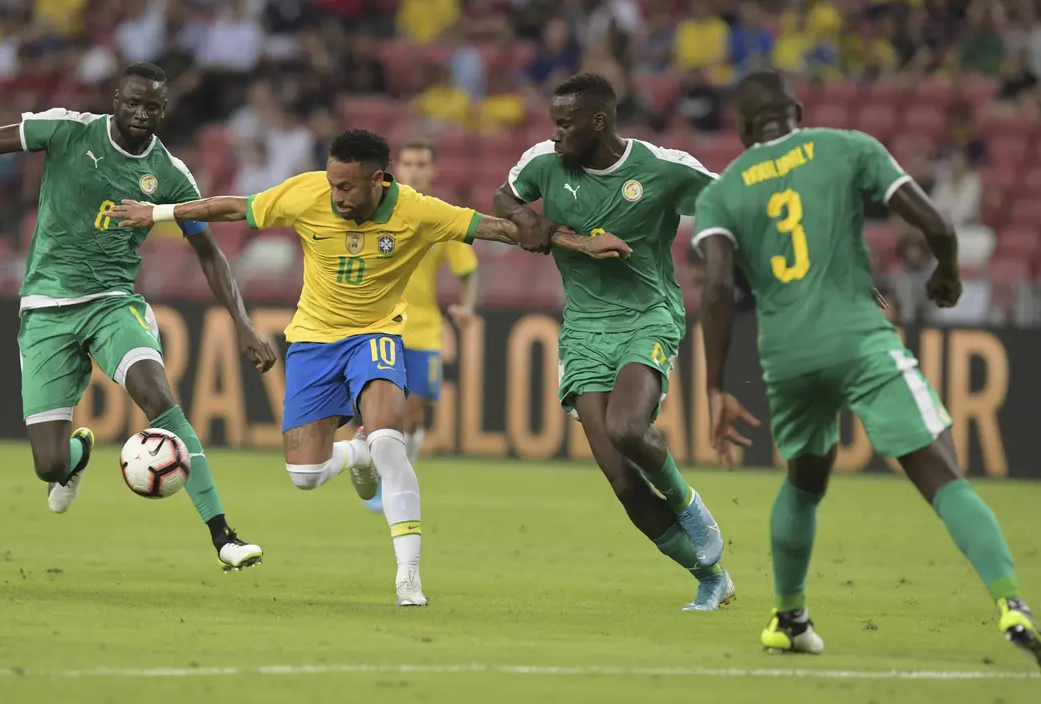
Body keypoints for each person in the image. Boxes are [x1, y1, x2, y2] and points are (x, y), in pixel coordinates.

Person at [105, 128, 631, 605]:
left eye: (348, 188)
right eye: (333, 184)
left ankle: (408, 576)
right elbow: (232, 208)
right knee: (305, 475)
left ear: (379, 180)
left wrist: (582, 242)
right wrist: (156, 214)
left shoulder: (420, 211)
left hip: (376, 334)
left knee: (389, 442)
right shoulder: (307, 193)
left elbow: (501, 229)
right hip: (312, 340)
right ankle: (354, 452)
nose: (336, 196)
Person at [0, 63, 276, 573]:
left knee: (158, 396)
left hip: (113, 303)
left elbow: (209, 253)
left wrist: (241, 321)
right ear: (116, 97)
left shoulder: (171, 175)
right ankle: (75, 460)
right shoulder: (67, 129)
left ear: (163, 110)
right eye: (132, 101)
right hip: (45, 308)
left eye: (151, 106)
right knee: (48, 463)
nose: (139, 112)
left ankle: (224, 537)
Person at [694, 68, 1040, 664]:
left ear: (745, 128)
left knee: (805, 480)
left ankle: (789, 618)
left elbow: (719, 287)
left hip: (788, 355)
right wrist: (947, 272)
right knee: (939, 471)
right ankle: (1013, 604)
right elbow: (934, 223)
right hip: (857, 336)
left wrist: (715, 385)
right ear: (797, 110)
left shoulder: (721, 192)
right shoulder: (848, 146)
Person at [492, 73, 733, 611]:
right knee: (622, 480)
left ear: (598, 122)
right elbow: (503, 196)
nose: (554, 134)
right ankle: (709, 574)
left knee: (628, 428)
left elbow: (739, 203)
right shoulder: (543, 163)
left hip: (648, 316)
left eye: (564, 123)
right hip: (582, 329)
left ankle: (687, 503)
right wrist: (525, 217)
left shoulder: (663, 169)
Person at [362, 139, 480, 515]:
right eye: (408, 162)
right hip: (381, 326)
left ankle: (396, 476)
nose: (414, 169)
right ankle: (386, 477)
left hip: (425, 327)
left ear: (433, 171)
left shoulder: (441, 218)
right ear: (397, 168)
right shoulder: (379, 211)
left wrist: (467, 307)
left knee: (416, 409)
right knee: (384, 411)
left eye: (422, 163)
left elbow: (469, 269)